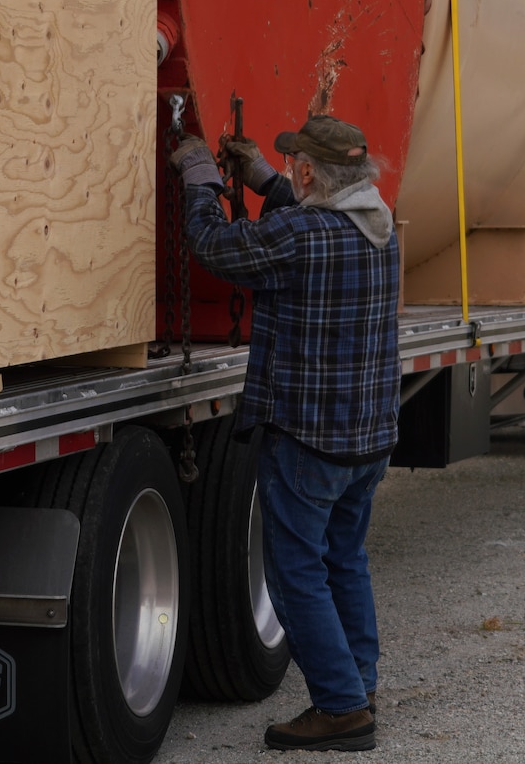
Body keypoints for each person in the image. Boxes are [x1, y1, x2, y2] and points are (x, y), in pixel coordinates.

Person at [169, 114, 400, 753]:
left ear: (307, 173)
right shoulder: (380, 225)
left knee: (296, 574)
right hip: (369, 437)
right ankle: (360, 684)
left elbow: (213, 244)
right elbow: (311, 223)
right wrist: (265, 181)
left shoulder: (300, 236)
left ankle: (341, 707)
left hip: (309, 439)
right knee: (344, 560)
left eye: (291, 168)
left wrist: (199, 175)